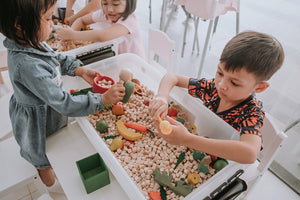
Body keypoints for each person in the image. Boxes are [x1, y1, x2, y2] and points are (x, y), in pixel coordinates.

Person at [0, 0, 125, 192]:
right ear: (19, 24)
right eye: (48, 18)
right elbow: (63, 103)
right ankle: (50, 184)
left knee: (56, 144)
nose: (53, 24)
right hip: (37, 123)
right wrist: (102, 100)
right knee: (41, 157)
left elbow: (55, 58)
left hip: (48, 109)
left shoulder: (32, 42)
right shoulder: (27, 65)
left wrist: (79, 70)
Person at [149, 31, 285, 164]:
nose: (221, 85)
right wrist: (162, 97)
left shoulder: (251, 112)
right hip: (197, 142)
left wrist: (187, 139)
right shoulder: (212, 88)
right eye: (220, 72)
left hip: (223, 160)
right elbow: (172, 77)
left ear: (259, 87)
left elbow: (250, 153)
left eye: (234, 83)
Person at [57, 0, 145, 59]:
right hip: (118, 60)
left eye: (116, 4)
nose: (110, 9)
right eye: (105, 3)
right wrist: (70, 36)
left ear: (130, 4)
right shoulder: (105, 14)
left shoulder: (129, 20)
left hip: (135, 65)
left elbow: (102, 36)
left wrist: (72, 35)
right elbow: (81, 20)